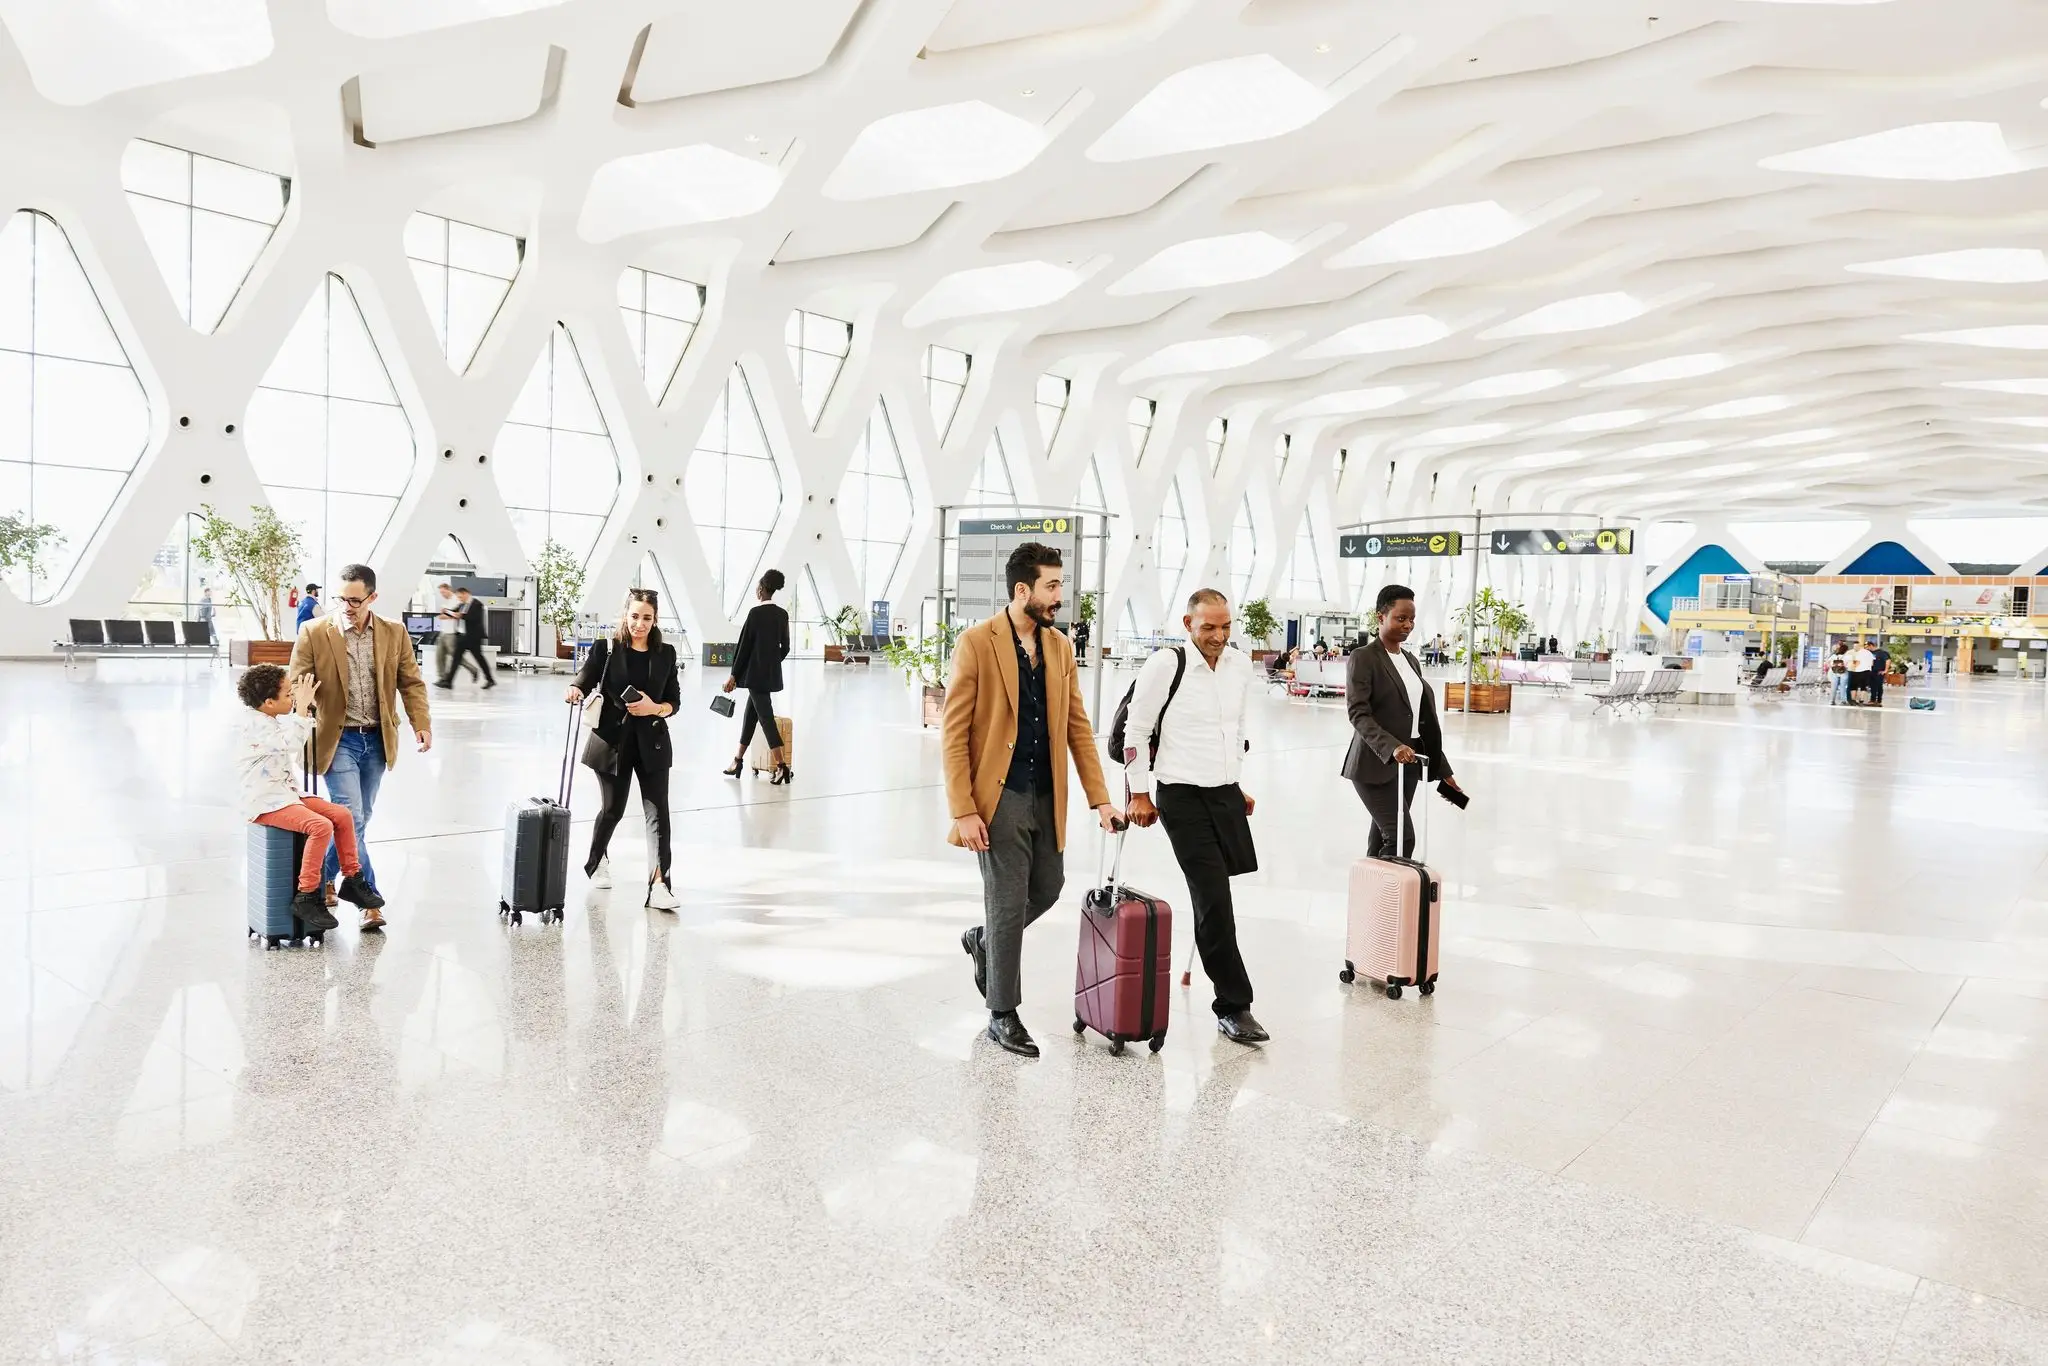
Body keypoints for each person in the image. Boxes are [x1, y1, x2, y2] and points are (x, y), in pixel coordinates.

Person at [946, 542, 1122, 1058]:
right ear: (1022, 590)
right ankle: (1003, 1013)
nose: (1060, 595)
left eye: (1060, 584)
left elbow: (1077, 728)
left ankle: (985, 940)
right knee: (1006, 902)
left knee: (1048, 887)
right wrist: (964, 809)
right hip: (998, 797)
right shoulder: (977, 643)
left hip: (1047, 794)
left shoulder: (1060, 648)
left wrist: (1101, 800)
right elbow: (954, 734)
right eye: (1052, 585)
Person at [1123, 589, 1266, 1045]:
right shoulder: (1166, 665)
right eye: (1208, 627)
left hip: (1224, 793)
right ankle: (1233, 1005)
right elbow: (1135, 731)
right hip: (1181, 796)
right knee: (1214, 896)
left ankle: (1226, 989)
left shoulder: (1239, 666)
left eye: (1225, 626)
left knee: (1221, 889)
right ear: (1188, 624)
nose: (1218, 636)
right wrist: (1139, 793)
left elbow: (1235, 728)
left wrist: (1234, 781)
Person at [286, 563, 432, 929]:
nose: (347, 606)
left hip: (377, 739)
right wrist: (303, 705)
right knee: (350, 816)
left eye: (355, 600)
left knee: (359, 819)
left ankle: (324, 878)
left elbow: (410, 682)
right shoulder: (314, 632)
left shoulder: (393, 632)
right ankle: (369, 902)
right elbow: (297, 681)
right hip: (338, 739)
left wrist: (421, 723)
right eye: (341, 599)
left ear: (372, 597)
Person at [235, 663, 383, 933]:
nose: (293, 697)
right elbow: (290, 743)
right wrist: (302, 709)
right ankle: (307, 894)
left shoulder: (266, 717)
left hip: (285, 793)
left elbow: (290, 736)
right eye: (288, 694)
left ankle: (352, 878)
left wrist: (302, 708)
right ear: (269, 702)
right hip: (265, 801)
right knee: (320, 826)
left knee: (342, 815)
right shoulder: (254, 725)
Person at [567, 588, 682, 910]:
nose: (639, 624)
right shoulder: (606, 648)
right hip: (612, 743)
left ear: (655, 619)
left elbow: (674, 701)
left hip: (653, 744)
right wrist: (574, 688)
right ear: (625, 615)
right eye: (634, 616)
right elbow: (585, 678)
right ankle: (597, 860)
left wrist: (654, 708)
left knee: (658, 813)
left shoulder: (666, 654)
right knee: (612, 810)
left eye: (647, 617)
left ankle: (659, 884)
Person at [1343, 584, 1463, 858]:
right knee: (1401, 839)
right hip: (1375, 764)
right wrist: (1393, 746)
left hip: (1408, 765)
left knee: (1383, 838)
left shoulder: (1410, 660)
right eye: (1401, 618)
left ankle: (1375, 885)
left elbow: (1421, 722)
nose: (1408, 625)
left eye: (1411, 619)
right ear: (1380, 617)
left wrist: (1443, 770)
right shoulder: (1364, 658)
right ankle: (1391, 885)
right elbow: (1358, 712)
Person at [721, 569, 792, 784]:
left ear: (761, 589)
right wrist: (771, 664)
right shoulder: (782, 615)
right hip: (769, 676)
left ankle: (781, 766)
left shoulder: (755, 614)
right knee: (750, 717)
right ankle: (737, 760)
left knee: (766, 719)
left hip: (754, 676)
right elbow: (785, 647)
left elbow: (743, 648)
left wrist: (733, 675)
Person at [435, 585, 495, 690]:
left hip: (473, 637)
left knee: (479, 658)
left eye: (460, 597)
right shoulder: (462, 604)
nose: (459, 599)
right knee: (456, 658)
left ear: (465, 594)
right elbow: (453, 612)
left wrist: (460, 616)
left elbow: (474, 618)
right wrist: (446, 611)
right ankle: (448, 682)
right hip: (462, 636)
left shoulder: (477, 604)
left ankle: (490, 680)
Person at [433, 583, 478, 683]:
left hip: (451, 633)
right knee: (439, 656)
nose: (442, 594)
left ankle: (473, 669)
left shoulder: (457, 600)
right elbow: (444, 615)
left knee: (455, 656)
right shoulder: (446, 601)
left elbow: (456, 615)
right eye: (441, 593)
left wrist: (447, 614)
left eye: (443, 592)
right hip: (443, 632)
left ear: (449, 590)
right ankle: (442, 678)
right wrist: (446, 614)